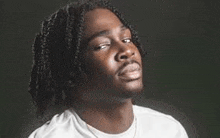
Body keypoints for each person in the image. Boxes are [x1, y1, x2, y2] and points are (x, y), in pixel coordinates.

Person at [28, 0, 188, 137]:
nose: (127, 51)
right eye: (102, 45)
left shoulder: (168, 130)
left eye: (126, 39)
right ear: (70, 67)